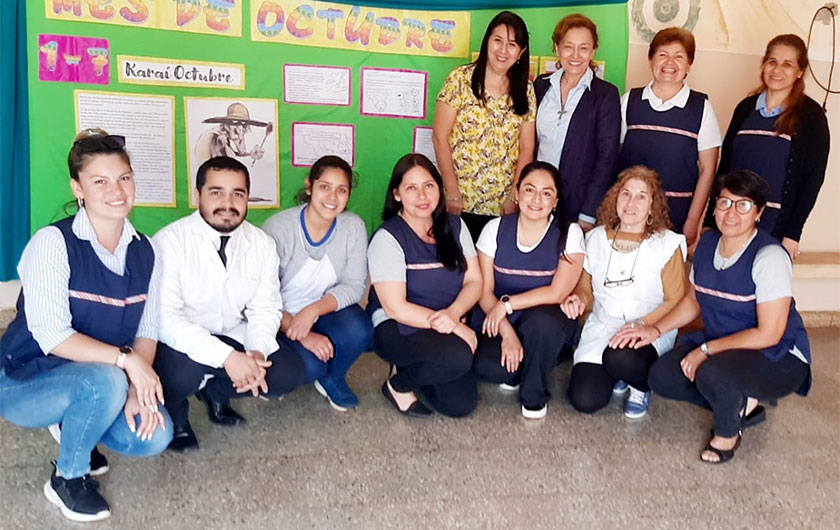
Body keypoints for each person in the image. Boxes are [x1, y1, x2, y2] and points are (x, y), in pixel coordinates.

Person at [0, 129, 172, 522]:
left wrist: (135, 386)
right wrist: (128, 367)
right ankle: (67, 478)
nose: (116, 190)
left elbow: (147, 328)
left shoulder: (147, 251)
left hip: (100, 376)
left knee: (154, 435)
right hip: (25, 380)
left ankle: (78, 421)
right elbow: (51, 334)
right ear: (78, 187)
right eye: (100, 181)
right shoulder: (53, 243)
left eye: (124, 178)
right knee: (104, 382)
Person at [626, 170, 811, 464]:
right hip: (724, 344)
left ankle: (728, 431)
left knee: (712, 372)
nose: (731, 213)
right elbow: (693, 300)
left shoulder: (770, 257)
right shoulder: (708, 243)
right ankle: (741, 402)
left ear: (759, 213)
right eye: (724, 203)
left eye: (743, 205)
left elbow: (769, 334)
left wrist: (704, 350)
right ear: (715, 207)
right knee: (662, 377)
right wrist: (655, 329)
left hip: (778, 356)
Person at [153, 156, 305, 451]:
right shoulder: (169, 242)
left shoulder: (261, 243)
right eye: (216, 192)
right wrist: (228, 359)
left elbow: (266, 307)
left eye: (238, 193)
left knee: (286, 372)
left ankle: (214, 392)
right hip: (182, 340)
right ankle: (178, 415)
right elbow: (166, 320)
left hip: (232, 331)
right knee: (179, 375)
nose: (228, 202)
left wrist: (256, 354)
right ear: (198, 195)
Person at [562, 166, 686, 418]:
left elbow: (676, 299)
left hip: (650, 326)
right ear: (614, 199)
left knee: (620, 358)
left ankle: (639, 385)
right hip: (604, 325)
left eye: (641, 196)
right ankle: (618, 371)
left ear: (653, 206)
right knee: (585, 399)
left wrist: (642, 325)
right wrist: (578, 299)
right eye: (625, 194)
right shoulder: (595, 238)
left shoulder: (667, 243)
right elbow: (585, 289)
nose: (631, 202)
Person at [367, 154, 481, 418]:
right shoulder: (388, 238)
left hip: (444, 320)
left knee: (459, 405)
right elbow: (396, 308)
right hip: (398, 326)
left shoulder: (455, 226)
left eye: (429, 186)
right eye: (411, 188)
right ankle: (397, 385)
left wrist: (453, 314)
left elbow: (474, 281)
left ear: (439, 190)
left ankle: (413, 367)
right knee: (458, 356)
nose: (422, 195)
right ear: (396, 194)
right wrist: (453, 326)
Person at [473, 161, 584, 419]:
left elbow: (557, 293)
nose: (537, 199)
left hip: (546, 320)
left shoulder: (570, 233)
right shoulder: (495, 229)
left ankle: (534, 393)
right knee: (488, 368)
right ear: (517, 193)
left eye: (547, 193)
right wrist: (507, 332)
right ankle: (534, 358)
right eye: (529, 190)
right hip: (502, 319)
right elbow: (484, 291)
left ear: (556, 200)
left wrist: (507, 304)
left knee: (542, 323)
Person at [262, 156, 373, 412]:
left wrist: (312, 312)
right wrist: (299, 330)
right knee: (310, 366)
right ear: (309, 186)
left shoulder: (353, 227)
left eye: (341, 190)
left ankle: (332, 378)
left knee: (360, 329)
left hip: (319, 313)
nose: (332, 197)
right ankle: (288, 370)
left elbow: (355, 285)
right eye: (325, 187)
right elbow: (260, 297)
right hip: (276, 316)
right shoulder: (279, 229)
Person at [711, 34, 830, 260]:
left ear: (800, 71)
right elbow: (724, 168)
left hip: (775, 228)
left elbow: (813, 179)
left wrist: (793, 233)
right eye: (772, 61)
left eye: (787, 64)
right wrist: (710, 220)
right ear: (764, 64)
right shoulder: (745, 108)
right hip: (731, 222)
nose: (777, 69)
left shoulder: (811, 115)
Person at [433, 11, 536, 240]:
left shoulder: (526, 91)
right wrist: (452, 192)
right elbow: (440, 138)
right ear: (487, 41)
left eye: (512, 44)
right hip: (460, 203)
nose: (503, 50)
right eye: (497, 40)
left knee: (494, 272)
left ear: (521, 52)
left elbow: (527, 148)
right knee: (460, 269)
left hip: (503, 207)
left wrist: (514, 196)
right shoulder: (459, 79)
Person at [618, 27, 721, 245]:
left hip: (676, 216)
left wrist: (693, 221)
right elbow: (613, 156)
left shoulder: (701, 108)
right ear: (650, 60)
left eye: (679, 57)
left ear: (689, 65)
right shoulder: (630, 101)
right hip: (628, 213)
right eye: (662, 55)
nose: (669, 63)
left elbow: (707, 170)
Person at [534, 13, 621, 231]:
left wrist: (588, 213)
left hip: (578, 205)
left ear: (593, 51)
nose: (575, 55)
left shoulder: (605, 95)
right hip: (536, 199)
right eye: (568, 47)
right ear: (556, 47)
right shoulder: (540, 86)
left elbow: (607, 158)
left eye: (583, 48)